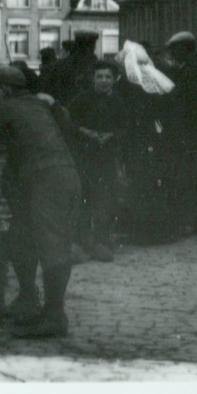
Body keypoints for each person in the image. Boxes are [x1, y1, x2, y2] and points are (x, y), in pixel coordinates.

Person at [0, 66, 81, 337]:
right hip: (59, 177)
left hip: (48, 180)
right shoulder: (37, 106)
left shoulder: (6, 108)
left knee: (52, 245)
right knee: (20, 235)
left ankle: (55, 316)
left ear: (3, 90)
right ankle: (30, 301)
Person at [68, 60, 129, 262]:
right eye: (99, 76)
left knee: (106, 199)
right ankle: (81, 242)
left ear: (115, 79)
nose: (104, 81)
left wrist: (112, 136)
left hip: (108, 157)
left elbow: (126, 128)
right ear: (93, 79)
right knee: (83, 199)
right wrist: (88, 132)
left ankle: (101, 241)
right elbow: (70, 124)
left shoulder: (120, 102)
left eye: (108, 77)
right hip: (85, 157)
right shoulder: (81, 100)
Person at [115, 40, 175, 245]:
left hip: (135, 137)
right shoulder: (153, 80)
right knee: (152, 182)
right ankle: (157, 228)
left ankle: (143, 230)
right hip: (152, 135)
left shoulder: (127, 84)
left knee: (138, 182)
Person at [162, 31, 197, 238]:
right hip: (191, 129)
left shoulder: (196, 70)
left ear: (185, 48)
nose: (173, 54)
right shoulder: (193, 67)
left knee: (188, 174)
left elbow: (192, 103)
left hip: (190, 130)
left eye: (175, 50)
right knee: (190, 173)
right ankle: (195, 220)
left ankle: (193, 221)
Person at [42, 29, 99, 105]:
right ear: (93, 46)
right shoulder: (96, 65)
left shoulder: (60, 65)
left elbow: (49, 90)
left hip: (64, 108)